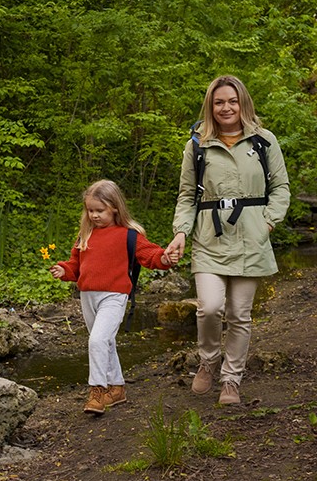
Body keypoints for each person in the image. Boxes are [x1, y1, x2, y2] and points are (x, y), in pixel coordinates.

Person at [165, 75, 290, 406]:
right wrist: (181, 232)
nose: (226, 107)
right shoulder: (197, 145)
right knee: (209, 308)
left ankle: (231, 380)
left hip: (252, 238)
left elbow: (280, 188)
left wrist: (268, 223)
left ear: (243, 103)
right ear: (210, 105)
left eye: (232, 101)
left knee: (239, 314)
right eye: (219, 102)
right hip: (210, 238)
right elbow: (187, 195)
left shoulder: (264, 141)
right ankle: (208, 361)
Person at [50, 179, 172, 414]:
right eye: (90, 210)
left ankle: (97, 391)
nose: (94, 215)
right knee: (105, 341)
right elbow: (75, 266)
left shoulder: (129, 236)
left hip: (114, 296)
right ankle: (117, 389)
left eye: (99, 210)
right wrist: (64, 270)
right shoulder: (85, 235)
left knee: (97, 340)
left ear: (114, 207)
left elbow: (151, 255)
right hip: (87, 295)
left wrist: (165, 258)